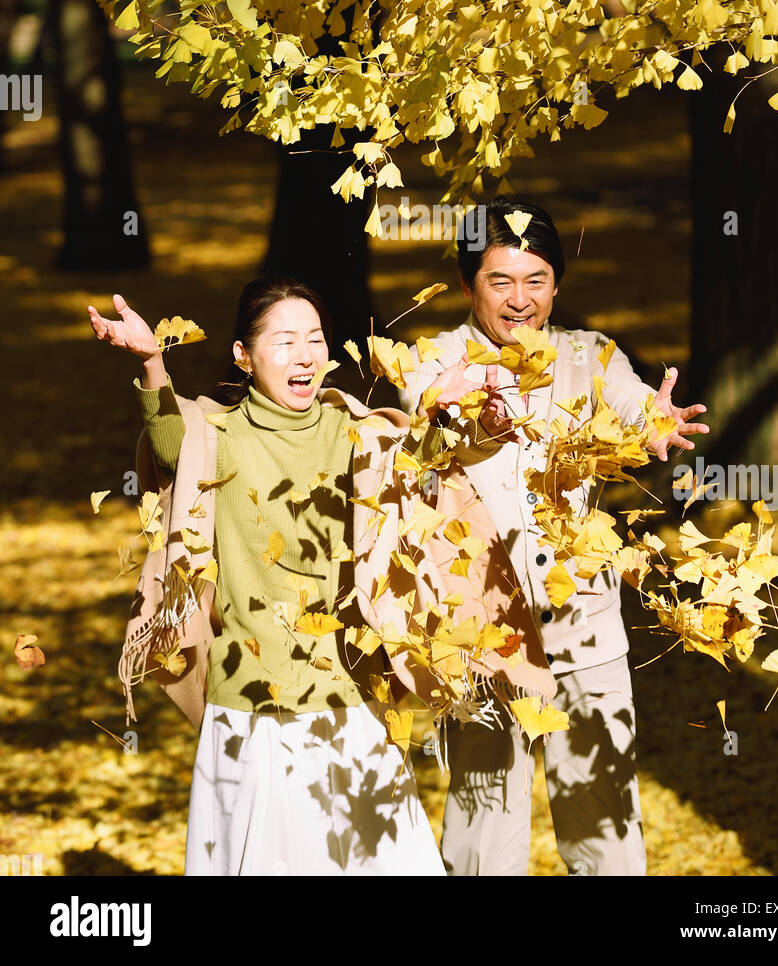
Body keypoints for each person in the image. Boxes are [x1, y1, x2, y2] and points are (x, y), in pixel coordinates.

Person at [87, 275, 532, 877]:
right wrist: (151, 362)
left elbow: (413, 479)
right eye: (285, 340)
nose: (306, 354)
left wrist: (439, 413)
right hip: (252, 708)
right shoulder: (216, 438)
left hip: (346, 699)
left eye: (316, 338)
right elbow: (170, 438)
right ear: (244, 356)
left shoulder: (353, 432)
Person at [397, 197, 710, 877]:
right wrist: (441, 405)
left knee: (605, 833)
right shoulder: (433, 360)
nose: (519, 300)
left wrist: (650, 424)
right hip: (478, 634)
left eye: (535, 280)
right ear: (466, 285)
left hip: (586, 633)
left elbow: (631, 407)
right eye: (499, 281)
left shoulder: (589, 357)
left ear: (556, 286)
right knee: (482, 838)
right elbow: (407, 447)